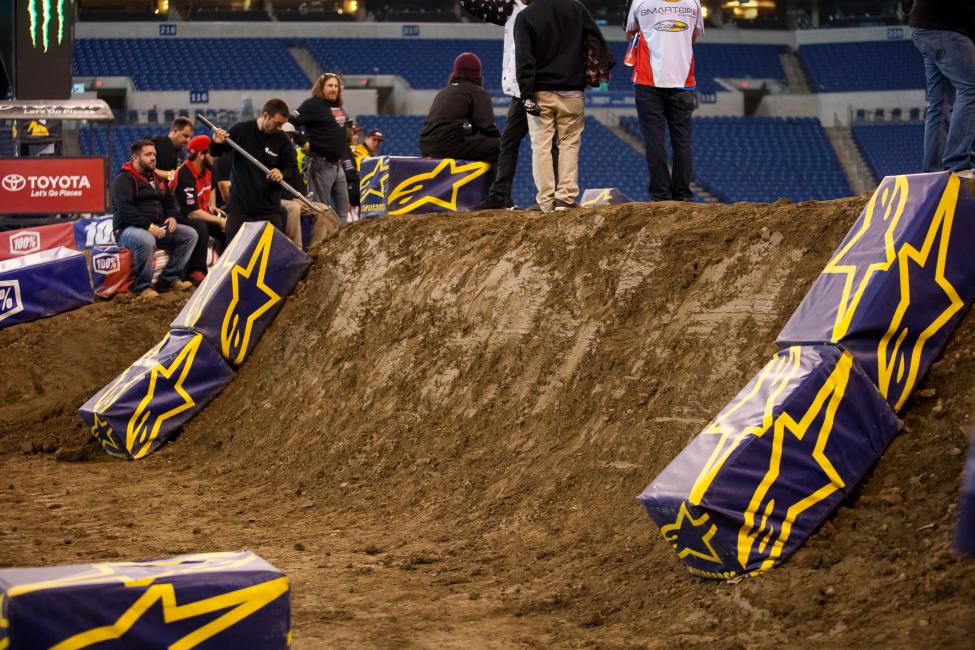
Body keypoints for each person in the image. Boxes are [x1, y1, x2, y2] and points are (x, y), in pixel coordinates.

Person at [514, 0, 606, 211]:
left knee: (541, 146)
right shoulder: (577, 8)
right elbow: (597, 41)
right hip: (572, 91)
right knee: (569, 143)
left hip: (540, 92)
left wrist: (526, 96)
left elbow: (523, 60)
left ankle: (546, 201)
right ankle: (565, 198)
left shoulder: (526, 16)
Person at [627, 0, 703, 201]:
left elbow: (631, 33)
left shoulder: (639, 1)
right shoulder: (693, 2)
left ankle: (660, 195)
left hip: (648, 81)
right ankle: (682, 194)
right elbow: (693, 37)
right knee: (682, 141)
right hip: (683, 80)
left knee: (654, 140)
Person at [461, 0, 529, 211]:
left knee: (547, 142)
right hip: (523, 89)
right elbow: (476, 6)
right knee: (509, 141)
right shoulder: (511, 7)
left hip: (539, 85)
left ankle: (556, 197)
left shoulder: (547, 10)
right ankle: (500, 196)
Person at [110, 139, 197, 298]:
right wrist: (149, 227)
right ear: (135, 158)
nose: (153, 158)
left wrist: (171, 216)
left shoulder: (157, 179)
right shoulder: (123, 179)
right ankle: (142, 287)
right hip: (127, 229)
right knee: (146, 240)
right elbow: (125, 210)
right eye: (148, 154)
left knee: (190, 235)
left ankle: (169, 279)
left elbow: (169, 202)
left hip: (156, 226)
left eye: (154, 154)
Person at [209, 98, 297, 243]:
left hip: (269, 209)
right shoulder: (241, 130)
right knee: (236, 254)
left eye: (282, 124)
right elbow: (216, 152)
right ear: (265, 115)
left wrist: (282, 173)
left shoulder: (282, 140)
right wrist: (216, 143)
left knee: (270, 257)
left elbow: (292, 169)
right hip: (240, 208)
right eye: (278, 123)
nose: (280, 128)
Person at [910, 0, 975, 177]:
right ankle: (958, 162)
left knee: (939, 101)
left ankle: (933, 170)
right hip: (947, 28)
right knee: (971, 90)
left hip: (924, 27)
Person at [419, 53, 501, 168]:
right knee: (502, 146)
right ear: (478, 74)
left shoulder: (443, 92)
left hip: (426, 146)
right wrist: (499, 139)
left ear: (455, 72)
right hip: (450, 145)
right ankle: (498, 186)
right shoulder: (477, 92)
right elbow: (487, 127)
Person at [291, 73, 353, 223]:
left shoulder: (337, 106)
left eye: (336, 86)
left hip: (337, 165)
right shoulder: (312, 104)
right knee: (321, 210)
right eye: (329, 86)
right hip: (321, 163)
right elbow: (291, 121)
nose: (333, 89)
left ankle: (339, 245)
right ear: (321, 88)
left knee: (343, 211)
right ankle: (321, 245)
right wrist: (302, 141)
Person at [173, 135, 227, 285]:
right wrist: (219, 220)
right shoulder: (184, 174)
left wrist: (213, 206)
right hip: (179, 215)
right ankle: (196, 271)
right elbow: (192, 212)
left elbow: (212, 186)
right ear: (200, 154)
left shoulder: (207, 168)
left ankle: (227, 264)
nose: (215, 157)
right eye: (211, 154)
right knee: (200, 226)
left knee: (229, 225)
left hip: (199, 210)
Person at [280, 122, 338, 249]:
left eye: (290, 136)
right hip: (278, 199)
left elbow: (298, 180)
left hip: (294, 198)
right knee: (294, 208)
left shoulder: (292, 154)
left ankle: (315, 249)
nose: (288, 139)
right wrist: (294, 199)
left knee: (322, 208)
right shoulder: (272, 155)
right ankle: (296, 249)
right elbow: (273, 186)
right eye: (285, 135)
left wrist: (303, 199)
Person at [151, 116, 194, 187]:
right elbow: (142, 169)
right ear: (175, 130)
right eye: (185, 136)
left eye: (189, 137)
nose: (188, 140)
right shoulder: (156, 143)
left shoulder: (181, 154)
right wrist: (169, 175)